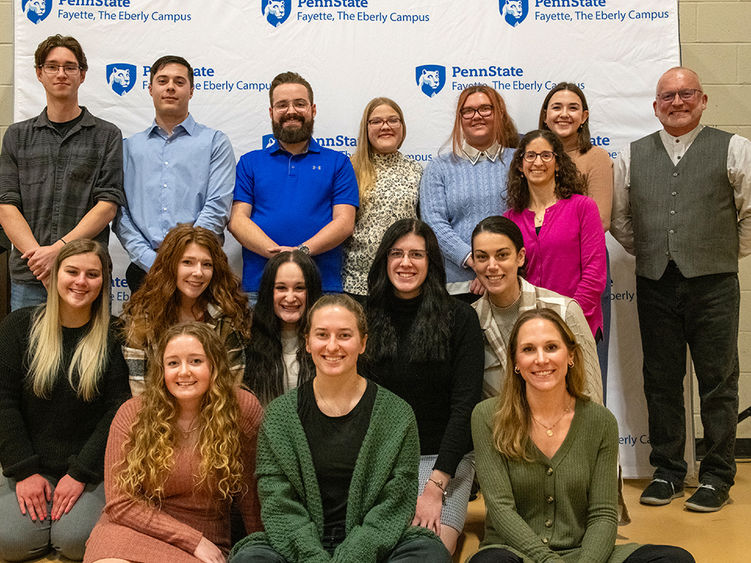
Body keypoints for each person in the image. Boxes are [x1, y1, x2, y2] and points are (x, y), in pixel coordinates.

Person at [611, 67, 751, 512]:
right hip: (655, 284)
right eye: (667, 96)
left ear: (703, 99)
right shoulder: (632, 156)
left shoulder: (734, 149)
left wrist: (720, 250)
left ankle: (715, 477)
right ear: (655, 106)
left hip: (714, 283)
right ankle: (668, 471)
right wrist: (657, 250)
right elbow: (620, 221)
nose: (677, 101)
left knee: (718, 382)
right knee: (661, 381)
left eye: (686, 93)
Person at [230, 294, 450, 563]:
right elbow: (278, 504)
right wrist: (313, 557)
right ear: (307, 342)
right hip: (300, 550)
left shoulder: (397, 414)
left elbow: (395, 503)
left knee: (430, 554)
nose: (332, 346)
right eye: (322, 334)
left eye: (344, 335)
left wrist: (353, 557)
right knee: (250, 558)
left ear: (363, 343)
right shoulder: (279, 416)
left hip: (374, 547)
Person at [469, 309, 694, 563]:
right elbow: (500, 510)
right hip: (517, 553)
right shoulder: (487, 416)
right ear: (516, 363)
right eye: (528, 349)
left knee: (676, 559)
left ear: (571, 356)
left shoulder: (600, 421)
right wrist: (547, 560)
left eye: (551, 347)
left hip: (585, 555)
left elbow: (603, 514)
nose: (541, 359)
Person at [84, 322, 264, 562]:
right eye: (173, 363)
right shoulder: (131, 414)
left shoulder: (241, 409)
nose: (184, 371)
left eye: (196, 361)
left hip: (207, 537)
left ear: (215, 365)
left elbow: (251, 495)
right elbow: (120, 503)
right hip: (132, 528)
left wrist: (263, 547)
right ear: (161, 370)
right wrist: (192, 540)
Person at [0, 240, 130, 561]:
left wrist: (80, 474)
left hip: (87, 470)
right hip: (30, 464)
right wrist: (24, 471)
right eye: (72, 271)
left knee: (75, 542)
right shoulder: (18, 327)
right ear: (55, 275)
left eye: (92, 274)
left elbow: (118, 411)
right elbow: (3, 402)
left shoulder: (116, 336)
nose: (81, 282)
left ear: (104, 281)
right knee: (12, 542)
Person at [361, 218, 483, 555]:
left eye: (417, 254)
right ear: (384, 259)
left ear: (431, 262)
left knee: (428, 549)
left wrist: (434, 488)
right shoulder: (362, 316)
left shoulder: (460, 319)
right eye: (397, 253)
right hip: (380, 459)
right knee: (373, 545)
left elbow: (465, 407)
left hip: (443, 459)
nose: (405, 263)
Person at [0, 34, 124, 310]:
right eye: (52, 66)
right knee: (27, 352)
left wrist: (57, 253)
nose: (61, 73)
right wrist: (41, 263)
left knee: (87, 353)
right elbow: (6, 206)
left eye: (70, 67)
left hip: (85, 275)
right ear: (39, 73)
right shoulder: (17, 136)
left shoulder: (107, 136)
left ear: (82, 74)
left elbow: (107, 206)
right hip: (30, 276)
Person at [229, 71, 359, 297]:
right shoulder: (249, 163)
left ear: (313, 110)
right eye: (282, 105)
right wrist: (280, 257)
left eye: (300, 104)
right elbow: (238, 220)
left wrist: (301, 252)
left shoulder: (339, 163)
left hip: (321, 287)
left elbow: (345, 222)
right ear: (271, 112)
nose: (291, 111)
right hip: (261, 287)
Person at [114, 55, 236, 293]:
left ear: (191, 91)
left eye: (179, 82)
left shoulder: (214, 142)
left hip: (199, 273)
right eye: (163, 81)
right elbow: (121, 213)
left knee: (195, 332)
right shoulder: (128, 148)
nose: (170, 87)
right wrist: (152, 261)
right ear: (150, 89)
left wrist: (186, 259)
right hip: (145, 271)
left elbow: (218, 206)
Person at [470, 216, 602, 403]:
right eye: (482, 257)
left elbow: (592, 398)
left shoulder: (564, 311)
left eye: (502, 255)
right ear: (474, 262)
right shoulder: (469, 321)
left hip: (564, 430)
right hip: (500, 430)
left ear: (520, 257)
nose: (492, 266)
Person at [540, 81, 614, 399]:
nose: (564, 114)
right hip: (542, 269)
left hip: (586, 270)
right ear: (545, 115)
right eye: (557, 107)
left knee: (586, 373)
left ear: (584, 116)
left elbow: (603, 221)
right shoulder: (533, 156)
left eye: (572, 108)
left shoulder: (595, 157)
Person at [121, 224, 250, 395]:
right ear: (170, 266)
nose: (198, 272)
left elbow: (233, 388)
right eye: (187, 262)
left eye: (207, 264)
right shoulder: (143, 317)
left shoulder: (226, 316)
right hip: (154, 416)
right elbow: (139, 390)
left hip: (216, 415)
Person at [504, 129, 606, 339]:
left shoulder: (583, 208)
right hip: (529, 329)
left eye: (546, 155)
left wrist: (568, 318)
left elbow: (594, 274)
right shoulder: (509, 219)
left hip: (577, 325)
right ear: (520, 165)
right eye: (530, 155)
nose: (537, 162)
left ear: (558, 163)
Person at [419, 85, 518, 301]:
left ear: (499, 114)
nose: (477, 116)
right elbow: (433, 222)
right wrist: (477, 262)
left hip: (510, 281)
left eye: (485, 109)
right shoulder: (439, 167)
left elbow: (529, 216)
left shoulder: (519, 161)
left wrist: (496, 266)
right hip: (459, 286)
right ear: (460, 118)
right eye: (469, 111)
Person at [343, 97, 422, 302]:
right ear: (366, 129)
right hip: (357, 284)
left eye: (393, 120)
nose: (385, 126)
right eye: (376, 121)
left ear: (402, 126)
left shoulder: (417, 171)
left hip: (403, 281)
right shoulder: (349, 169)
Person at [243, 250, 322, 406]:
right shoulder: (247, 338)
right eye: (281, 288)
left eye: (299, 288)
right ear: (268, 291)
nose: (290, 297)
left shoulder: (327, 343)